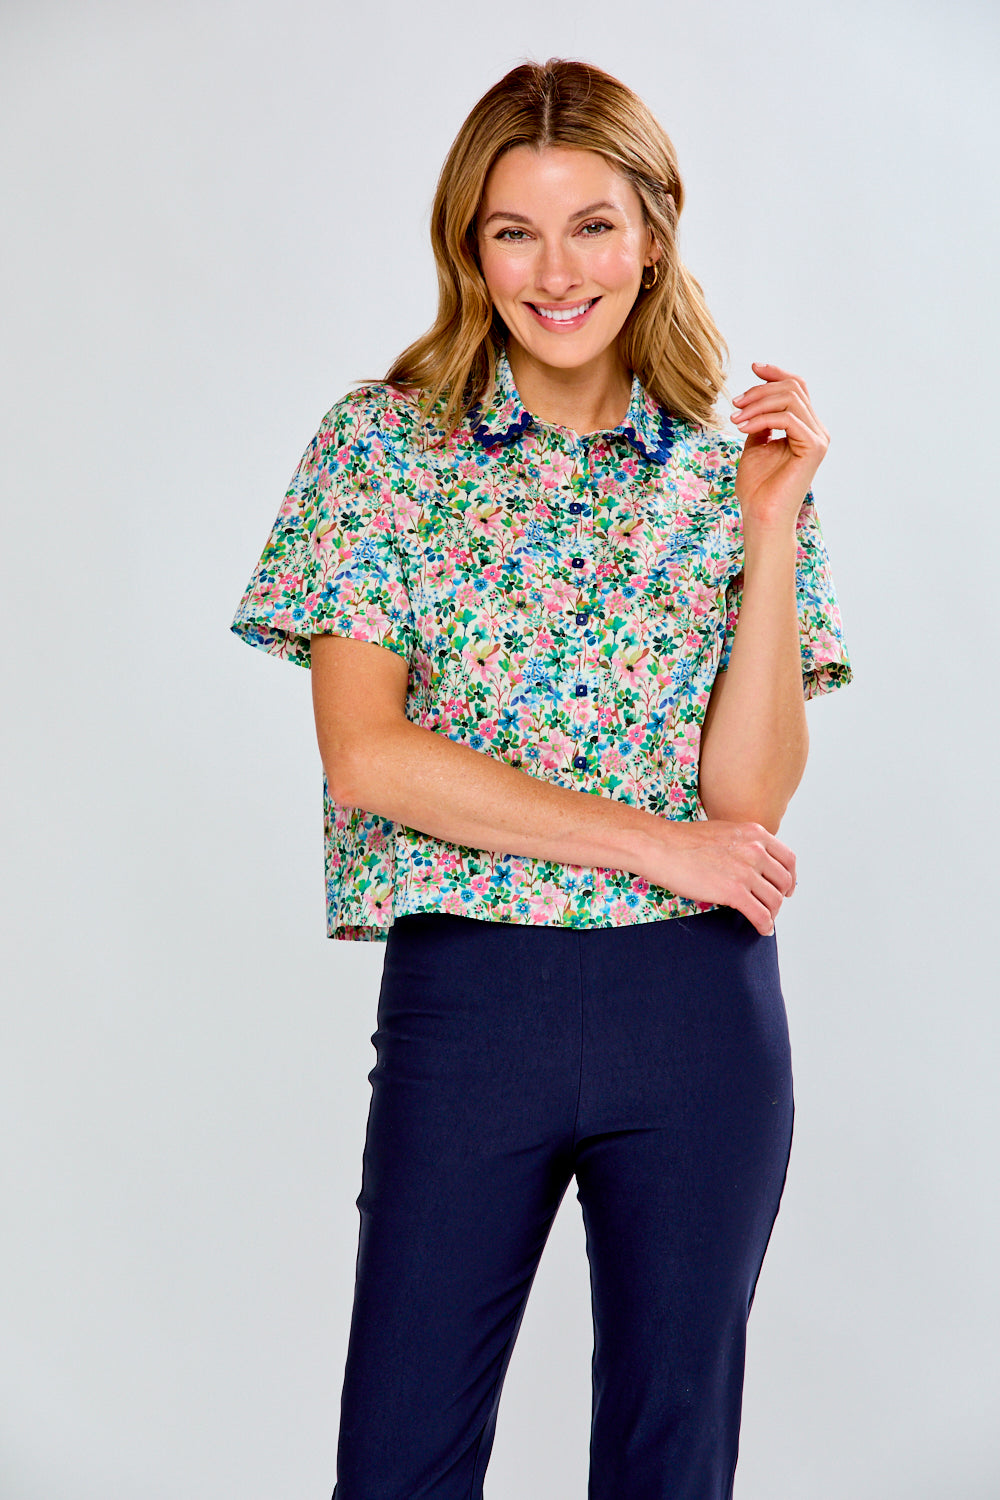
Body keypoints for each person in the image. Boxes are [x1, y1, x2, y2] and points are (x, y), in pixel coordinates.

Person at [232, 56, 851, 1500]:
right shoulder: (384, 447)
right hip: (475, 1006)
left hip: (698, 1012)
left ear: (653, 233)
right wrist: (657, 844)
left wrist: (771, 529)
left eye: (593, 224)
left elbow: (747, 800)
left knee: (670, 1460)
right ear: (470, 243)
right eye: (515, 228)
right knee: (400, 1460)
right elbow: (367, 755)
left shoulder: (728, 470)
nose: (555, 269)